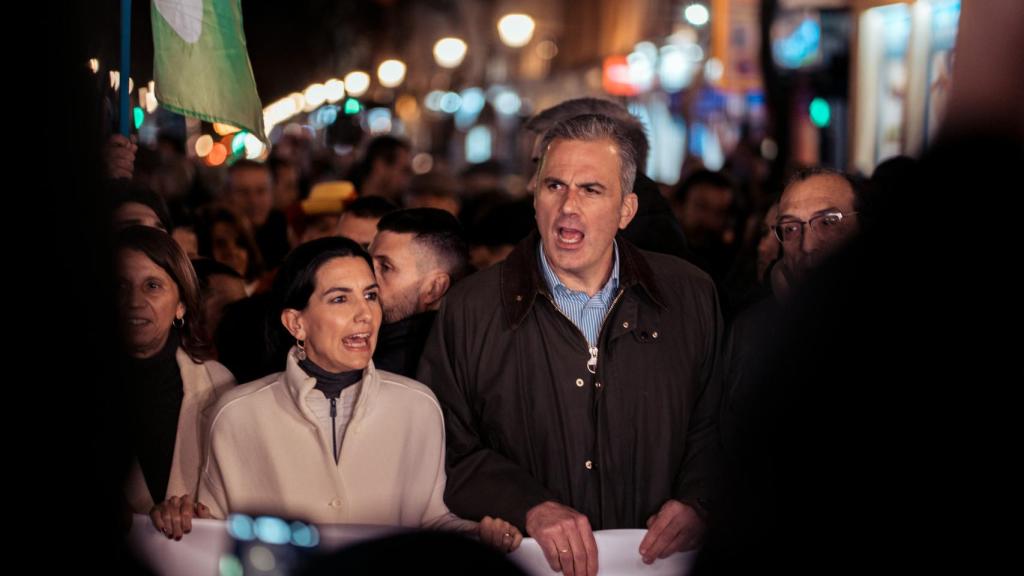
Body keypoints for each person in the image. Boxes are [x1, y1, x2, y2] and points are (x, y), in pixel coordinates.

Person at [419, 114, 722, 575]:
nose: (568, 206)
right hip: (532, 565)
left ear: (626, 209)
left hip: (657, 565)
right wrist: (529, 505)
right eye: (554, 186)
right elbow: (444, 446)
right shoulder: (471, 308)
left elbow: (718, 422)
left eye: (591, 190)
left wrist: (698, 500)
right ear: (534, 197)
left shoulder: (690, 295)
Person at [162, 237, 520, 551]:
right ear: (296, 323)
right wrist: (180, 520)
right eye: (339, 299)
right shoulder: (238, 414)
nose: (365, 314)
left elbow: (428, 521)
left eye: (371, 295)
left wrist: (477, 536)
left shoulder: (418, 406)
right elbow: (216, 532)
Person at [115, 226, 235, 530]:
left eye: (152, 286)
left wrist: (198, 517)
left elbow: (236, 499)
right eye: (119, 285)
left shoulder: (219, 386)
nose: (134, 301)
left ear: (181, 304)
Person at [369, 208, 469, 377]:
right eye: (367, 261)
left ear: (434, 288)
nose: (366, 276)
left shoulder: (383, 372)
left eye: (385, 267)